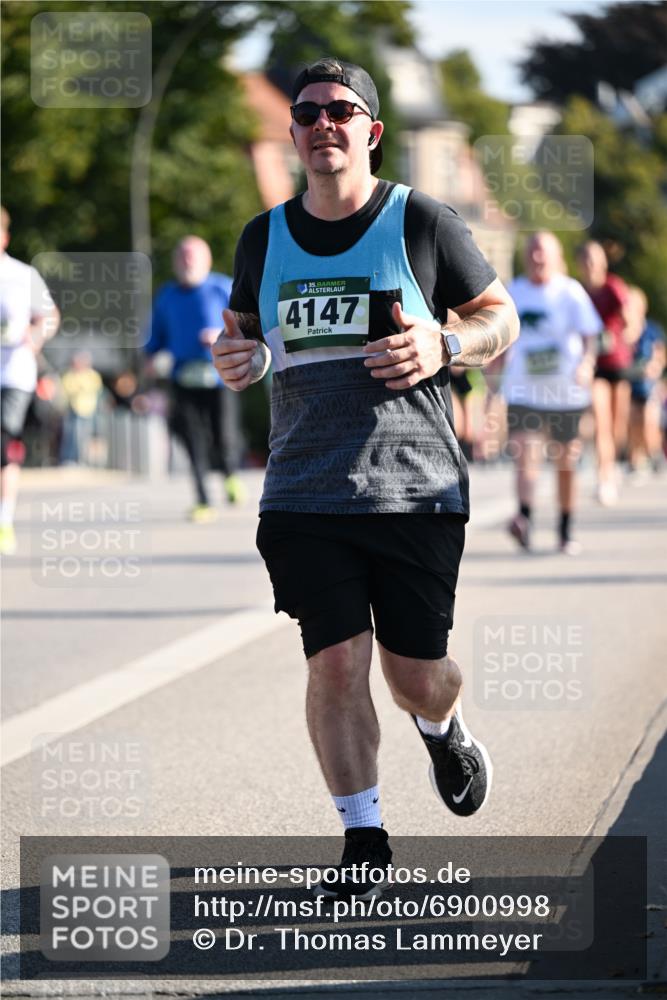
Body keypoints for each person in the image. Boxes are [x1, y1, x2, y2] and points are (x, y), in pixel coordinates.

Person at [212, 58, 519, 900]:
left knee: (413, 670)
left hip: (413, 486)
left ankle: (442, 724)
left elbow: (501, 317)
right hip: (304, 489)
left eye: (341, 111)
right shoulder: (262, 236)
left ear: (370, 130)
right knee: (335, 664)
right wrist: (237, 358)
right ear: (295, 132)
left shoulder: (421, 220)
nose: (322, 125)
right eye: (307, 113)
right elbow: (243, 335)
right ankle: (363, 837)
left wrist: (446, 344)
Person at [492, 232, 601, 555]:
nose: (538, 258)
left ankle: (566, 528)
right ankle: (524, 519)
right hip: (524, 388)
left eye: (544, 253)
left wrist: (587, 364)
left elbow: (590, 336)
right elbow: (502, 341)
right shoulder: (515, 291)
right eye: (533, 252)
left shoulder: (570, 292)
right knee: (525, 455)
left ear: (556, 257)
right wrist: (493, 386)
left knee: (566, 461)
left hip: (566, 391)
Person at [144, 236, 245, 522]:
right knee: (193, 440)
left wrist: (220, 336)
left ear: (207, 259)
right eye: (183, 256)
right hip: (183, 377)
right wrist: (150, 359)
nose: (188, 261)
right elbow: (155, 338)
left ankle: (230, 475)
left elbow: (248, 326)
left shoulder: (222, 288)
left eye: (193, 256)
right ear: (177, 262)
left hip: (221, 375)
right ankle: (202, 500)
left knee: (224, 434)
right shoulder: (167, 296)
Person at [0, 206, 59, 554]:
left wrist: (35, 335)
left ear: (5, 237)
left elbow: (50, 316)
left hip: (13, 375)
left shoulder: (22, 275)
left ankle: (4, 520)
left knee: (3, 446)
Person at [576, 241, 633, 505]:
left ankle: (614, 466)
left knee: (617, 426)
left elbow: (630, 321)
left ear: (603, 263)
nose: (590, 264)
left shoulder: (613, 287)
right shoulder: (578, 292)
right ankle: (604, 479)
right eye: (586, 259)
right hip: (594, 365)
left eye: (594, 259)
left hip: (618, 363)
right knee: (601, 424)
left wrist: (620, 335)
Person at [625, 287, 666, 478]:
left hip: (648, 383)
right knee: (633, 421)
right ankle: (635, 459)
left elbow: (660, 353)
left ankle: (655, 453)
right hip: (630, 382)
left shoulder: (652, 329)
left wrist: (655, 366)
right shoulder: (624, 331)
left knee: (649, 420)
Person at [59, 350, 102, 464]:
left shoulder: (92, 375)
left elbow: (95, 388)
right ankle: (69, 459)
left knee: (85, 437)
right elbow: (67, 389)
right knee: (72, 436)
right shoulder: (69, 375)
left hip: (89, 411)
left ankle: (83, 460)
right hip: (74, 410)